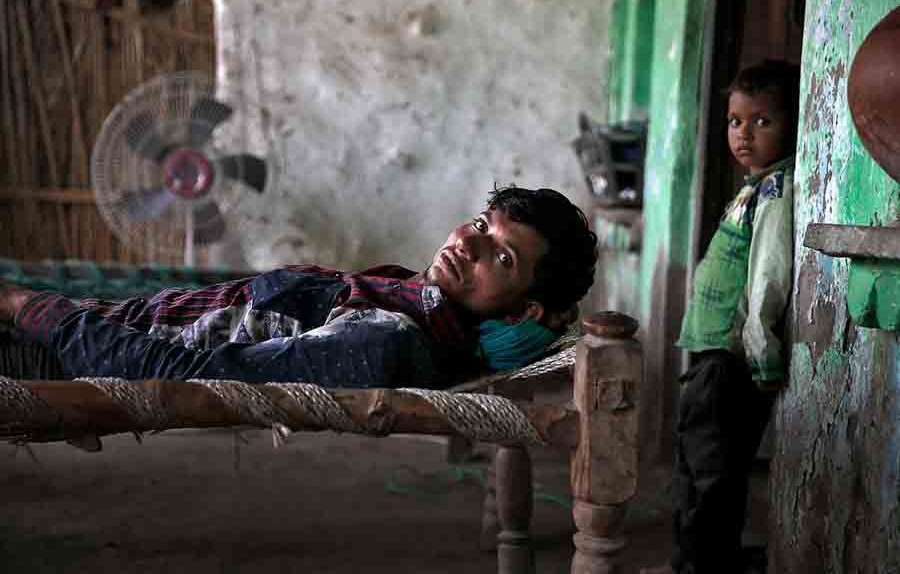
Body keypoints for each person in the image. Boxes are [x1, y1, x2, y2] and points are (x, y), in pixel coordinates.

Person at [0, 185, 597, 390]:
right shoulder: (408, 299)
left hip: (60, 348)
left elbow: (185, 375)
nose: (467, 243)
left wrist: (30, 307)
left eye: (503, 256)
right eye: (478, 224)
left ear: (528, 306)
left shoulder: (388, 337)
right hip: (96, 321)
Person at [642, 59, 801, 574]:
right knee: (693, 474)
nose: (745, 134)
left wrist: (763, 355)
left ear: (793, 125)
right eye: (736, 121)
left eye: (763, 121)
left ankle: (704, 567)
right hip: (710, 359)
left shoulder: (776, 194)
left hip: (730, 366)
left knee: (713, 481)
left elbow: (768, 281)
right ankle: (690, 563)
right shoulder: (751, 190)